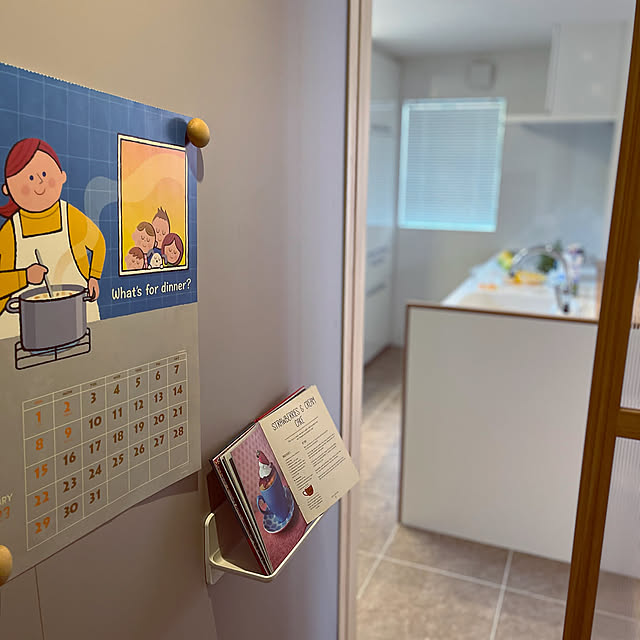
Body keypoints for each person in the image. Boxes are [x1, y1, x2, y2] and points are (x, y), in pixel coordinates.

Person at [0, 138, 105, 339]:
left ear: (61, 176)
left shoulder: (70, 216)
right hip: (26, 329)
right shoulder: (10, 232)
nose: (39, 182)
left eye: (44, 174)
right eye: (30, 177)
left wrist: (94, 277)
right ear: (8, 189)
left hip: (76, 317)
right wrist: (24, 277)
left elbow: (98, 242)